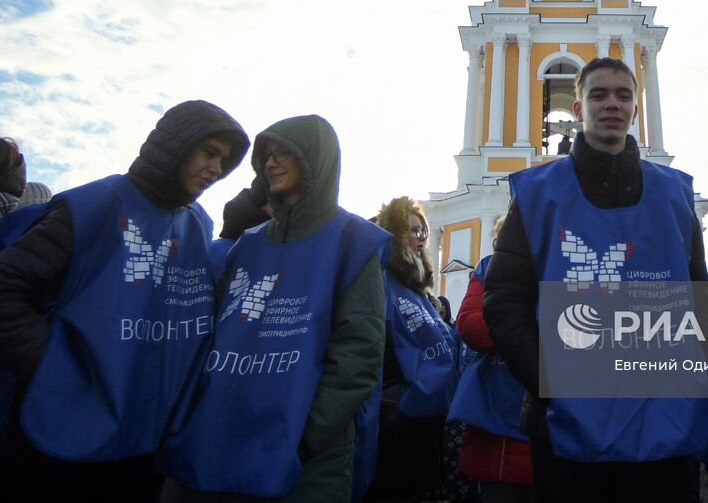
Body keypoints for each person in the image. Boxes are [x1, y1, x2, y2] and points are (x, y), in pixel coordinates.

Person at [0, 100, 247, 502]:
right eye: (209, 153)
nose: (216, 169)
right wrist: (58, 373)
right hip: (60, 437)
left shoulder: (197, 223)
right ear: (177, 146)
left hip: (141, 440)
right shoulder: (93, 205)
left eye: (225, 160)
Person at [483, 56, 708, 503]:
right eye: (599, 94)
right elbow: (504, 299)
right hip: (568, 425)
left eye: (623, 95)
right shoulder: (538, 194)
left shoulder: (673, 194)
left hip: (663, 417)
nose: (612, 103)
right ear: (577, 109)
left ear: (635, 108)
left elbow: (698, 295)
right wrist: (549, 381)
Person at [158, 115, 390, 502]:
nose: (271, 163)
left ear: (314, 159)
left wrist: (303, 435)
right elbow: (213, 334)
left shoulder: (353, 241)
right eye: (266, 155)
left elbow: (359, 353)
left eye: (285, 153)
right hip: (225, 438)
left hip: (303, 458)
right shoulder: (247, 245)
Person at [365, 196, 459, 502]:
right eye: (412, 230)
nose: (420, 238)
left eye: (423, 232)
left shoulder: (420, 292)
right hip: (398, 415)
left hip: (428, 415)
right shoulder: (379, 279)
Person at [450, 215, 536, 503]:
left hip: (551, 423)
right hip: (497, 424)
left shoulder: (563, 267)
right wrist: (529, 332)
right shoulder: (487, 268)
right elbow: (469, 324)